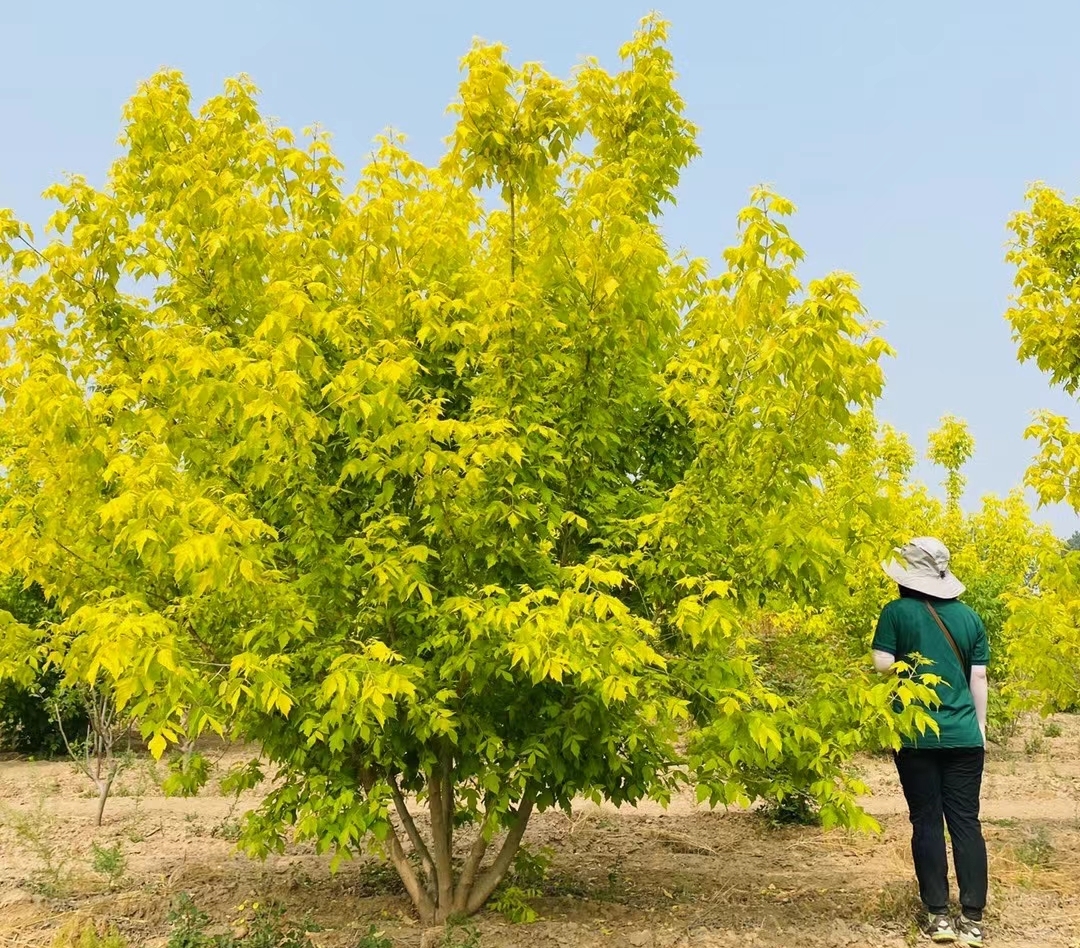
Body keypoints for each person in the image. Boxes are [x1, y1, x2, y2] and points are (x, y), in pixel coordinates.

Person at [871, 537, 989, 946]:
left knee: (926, 820)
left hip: (915, 736)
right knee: (966, 823)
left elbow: (882, 664)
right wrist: (981, 729)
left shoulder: (896, 612)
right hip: (966, 737)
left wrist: (908, 664)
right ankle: (972, 919)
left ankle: (938, 916)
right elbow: (978, 678)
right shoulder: (971, 618)